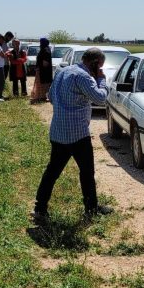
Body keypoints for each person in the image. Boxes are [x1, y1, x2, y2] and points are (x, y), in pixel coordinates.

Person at [32, 47, 113, 221]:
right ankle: (91, 209)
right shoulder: (83, 76)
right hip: (77, 134)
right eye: (100, 67)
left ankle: (40, 208)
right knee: (86, 172)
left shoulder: (63, 71)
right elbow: (100, 98)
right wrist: (102, 81)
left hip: (58, 131)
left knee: (52, 172)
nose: (100, 70)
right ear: (95, 63)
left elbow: (51, 96)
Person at [30, 37, 52, 104]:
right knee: (41, 84)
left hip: (43, 71)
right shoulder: (44, 49)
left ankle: (42, 97)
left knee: (43, 84)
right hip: (42, 70)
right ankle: (41, 96)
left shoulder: (46, 50)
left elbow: (45, 63)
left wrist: (39, 68)